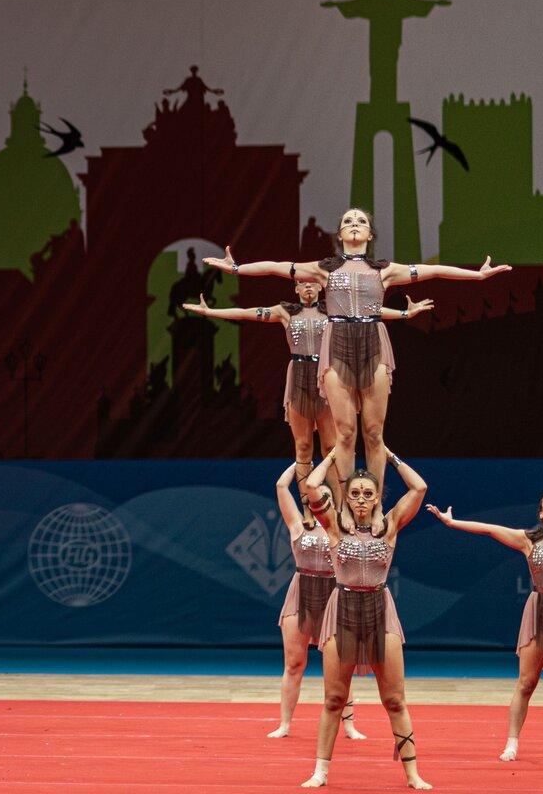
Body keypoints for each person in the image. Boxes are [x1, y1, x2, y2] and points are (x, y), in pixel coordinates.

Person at [208, 207, 509, 488]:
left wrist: (477, 275)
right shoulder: (324, 269)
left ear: (370, 235)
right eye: (348, 222)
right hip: (338, 342)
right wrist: (237, 269)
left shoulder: (385, 270)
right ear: (339, 235)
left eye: (361, 222)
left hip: (373, 342)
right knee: (346, 434)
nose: (354, 225)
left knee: (374, 434)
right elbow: (278, 267)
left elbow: (434, 271)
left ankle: (373, 504)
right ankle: (349, 510)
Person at [184, 287, 430, 483]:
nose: (308, 287)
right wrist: (212, 312)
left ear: (320, 287)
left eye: (313, 283)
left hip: (327, 374)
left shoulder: (334, 309)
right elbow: (249, 312)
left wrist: (405, 314)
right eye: (303, 283)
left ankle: (339, 504)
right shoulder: (285, 311)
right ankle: (309, 510)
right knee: (302, 446)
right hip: (300, 375)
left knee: (331, 445)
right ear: (296, 287)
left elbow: (370, 312)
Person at [426, 493, 543, 762]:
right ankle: (512, 743)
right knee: (526, 683)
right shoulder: (528, 539)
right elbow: (489, 529)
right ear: (541, 513)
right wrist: (452, 523)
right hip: (539, 610)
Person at [298, 449, 431, 790]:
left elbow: (419, 488)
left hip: (379, 609)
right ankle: (320, 771)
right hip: (342, 609)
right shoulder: (334, 526)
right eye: (354, 493)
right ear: (347, 496)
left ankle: (413, 774)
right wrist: (331, 456)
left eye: (367, 494)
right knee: (333, 699)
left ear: (376, 499)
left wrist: (390, 457)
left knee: (395, 699)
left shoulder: (389, 527)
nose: (360, 499)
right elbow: (313, 486)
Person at [268, 462, 365, 741]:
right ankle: (285, 724)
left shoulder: (341, 527)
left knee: (341, 664)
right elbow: (280, 486)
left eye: (326, 497)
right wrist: (302, 461)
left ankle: (349, 725)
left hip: (335, 597)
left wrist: (334, 457)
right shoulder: (297, 525)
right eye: (315, 496)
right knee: (294, 664)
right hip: (301, 595)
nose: (319, 500)